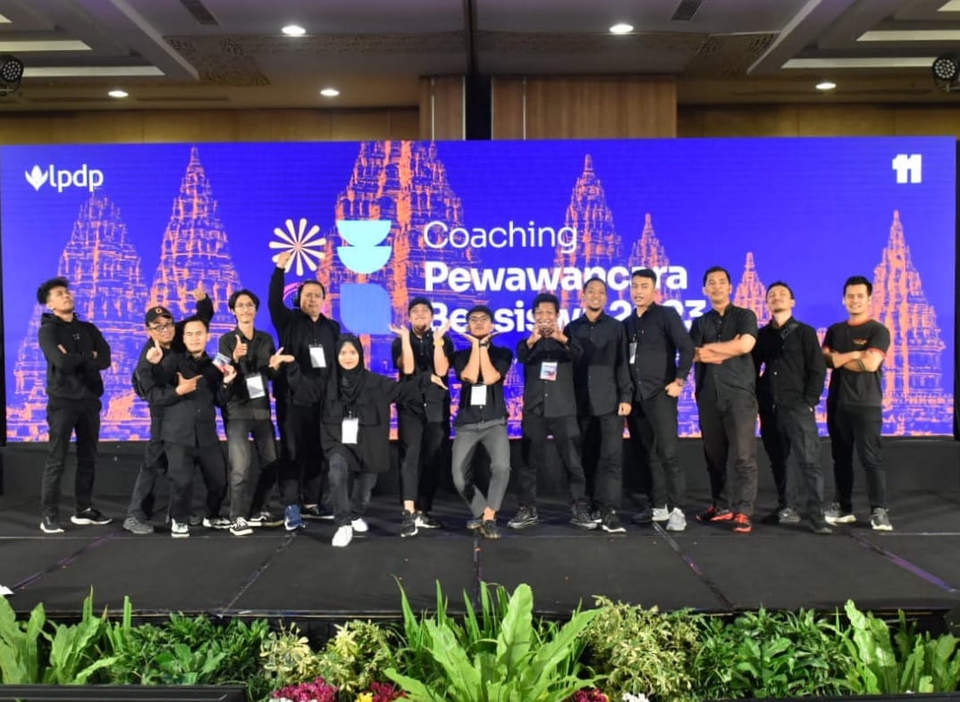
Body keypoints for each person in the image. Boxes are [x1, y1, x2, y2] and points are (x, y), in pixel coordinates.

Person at [320, 335, 444, 547]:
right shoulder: (327, 383)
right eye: (343, 353)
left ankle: (355, 514)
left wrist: (426, 379)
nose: (348, 357)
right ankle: (343, 523)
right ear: (336, 356)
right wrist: (290, 368)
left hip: (369, 442)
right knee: (337, 471)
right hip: (338, 440)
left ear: (360, 355)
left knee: (365, 488)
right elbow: (306, 391)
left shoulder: (375, 382)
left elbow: (402, 391)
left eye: (352, 352)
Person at [124, 285, 213, 535]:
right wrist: (177, 390)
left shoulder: (178, 334)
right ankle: (135, 515)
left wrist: (203, 300)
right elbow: (150, 394)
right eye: (158, 327)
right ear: (149, 330)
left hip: (183, 416)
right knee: (154, 463)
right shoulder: (148, 356)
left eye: (168, 324)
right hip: (162, 415)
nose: (165, 330)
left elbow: (202, 319)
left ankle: (178, 512)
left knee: (179, 466)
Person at [269, 250, 341, 531]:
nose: (312, 299)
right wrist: (280, 269)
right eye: (307, 295)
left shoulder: (331, 328)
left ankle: (312, 502)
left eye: (317, 295)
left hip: (322, 401)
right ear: (299, 298)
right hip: (292, 399)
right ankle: (291, 505)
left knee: (318, 451)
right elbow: (274, 301)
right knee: (291, 451)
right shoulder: (288, 321)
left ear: (324, 300)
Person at [509, 293, 594, 531]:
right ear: (533, 316)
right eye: (540, 313)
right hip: (535, 409)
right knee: (528, 462)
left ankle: (579, 507)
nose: (544, 317)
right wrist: (533, 339)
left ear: (557, 316)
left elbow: (580, 356)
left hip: (563, 409)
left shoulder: (568, 341)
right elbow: (522, 356)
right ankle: (527, 508)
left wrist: (560, 337)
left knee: (573, 462)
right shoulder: (527, 343)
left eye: (549, 313)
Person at [752, 282, 831, 535]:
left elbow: (817, 369)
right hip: (770, 408)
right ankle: (787, 506)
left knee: (809, 461)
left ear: (792, 302)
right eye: (772, 295)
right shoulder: (762, 335)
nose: (777, 298)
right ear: (767, 302)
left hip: (798, 407)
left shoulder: (805, 333)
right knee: (779, 461)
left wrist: (809, 402)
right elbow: (752, 369)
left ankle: (817, 515)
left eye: (782, 295)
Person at [36, 277, 112, 534]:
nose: (66, 295)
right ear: (50, 304)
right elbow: (61, 362)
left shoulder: (88, 328)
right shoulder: (48, 331)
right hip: (62, 402)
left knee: (88, 458)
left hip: (89, 400)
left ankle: (84, 509)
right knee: (57, 460)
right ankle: (49, 515)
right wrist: (88, 356)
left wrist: (76, 357)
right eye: (59, 293)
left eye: (67, 291)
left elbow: (105, 359)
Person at [146, 317, 232, 538]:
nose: (195, 338)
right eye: (190, 334)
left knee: (219, 480)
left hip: (207, 435)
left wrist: (226, 383)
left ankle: (212, 515)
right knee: (181, 482)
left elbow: (219, 400)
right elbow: (158, 386)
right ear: (183, 338)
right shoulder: (173, 361)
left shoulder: (215, 366)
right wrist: (155, 365)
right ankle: (180, 519)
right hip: (178, 434)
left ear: (208, 337)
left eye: (199, 333)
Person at [622, 268, 694, 532]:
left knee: (668, 453)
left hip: (661, 395)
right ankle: (658, 505)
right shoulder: (627, 323)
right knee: (646, 454)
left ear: (654, 290)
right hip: (637, 398)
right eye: (634, 286)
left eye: (644, 286)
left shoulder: (666, 315)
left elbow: (687, 348)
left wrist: (679, 381)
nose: (638, 291)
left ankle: (678, 509)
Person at [690, 266, 759, 534]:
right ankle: (721, 505)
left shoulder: (745, 316)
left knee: (743, 455)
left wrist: (712, 349)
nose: (716, 286)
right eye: (711, 282)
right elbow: (694, 354)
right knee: (714, 456)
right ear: (704, 289)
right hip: (708, 395)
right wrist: (725, 349)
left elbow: (745, 345)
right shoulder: (700, 322)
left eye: (721, 282)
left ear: (730, 287)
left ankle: (743, 510)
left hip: (739, 396)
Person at [219, 290, 295, 536]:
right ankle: (236, 517)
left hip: (262, 410)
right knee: (240, 468)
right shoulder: (227, 340)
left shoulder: (266, 339)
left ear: (256, 309)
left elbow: (268, 375)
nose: (245, 309)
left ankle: (257, 511)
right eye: (240, 305)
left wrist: (274, 367)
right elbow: (222, 372)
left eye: (249, 305)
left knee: (272, 463)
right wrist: (234, 358)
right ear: (233, 310)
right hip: (237, 411)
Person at [822, 275, 892, 531]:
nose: (855, 300)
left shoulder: (878, 330)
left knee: (870, 458)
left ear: (869, 299)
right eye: (850, 296)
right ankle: (843, 507)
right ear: (844, 299)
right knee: (840, 458)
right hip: (838, 403)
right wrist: (854, 354)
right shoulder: (835, 331)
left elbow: (871, 364)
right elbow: (826, 360)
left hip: (867, 405)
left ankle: (879, 510)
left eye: (860, 296)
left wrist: (840, 359)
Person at [566, 277, 632, 534]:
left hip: (611, 402)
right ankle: (589, 507)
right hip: (580, 404)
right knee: (586, 457)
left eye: (601, 292)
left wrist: (626, 396)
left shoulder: (616, 327)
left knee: (612, 458)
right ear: (582, 296)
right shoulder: (572, 329)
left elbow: (623, 363)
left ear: (606, 297)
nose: (596, 295)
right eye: (591, 291)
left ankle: (610, 510)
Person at [391, 296, 454, 538]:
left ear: (432, 316)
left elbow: (441, 369)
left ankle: (423, 510)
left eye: (424, 310)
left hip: (436, 406)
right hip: (410, 406)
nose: (420, 313)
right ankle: (408, 511)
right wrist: (406, 339)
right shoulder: (400, 341)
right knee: (409, 457)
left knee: (432, 458)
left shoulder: (443, 340)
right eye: (415, 311)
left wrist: (437, 342)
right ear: (408, 316)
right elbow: (407, 368)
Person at [450, 305, 513, 540]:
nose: (478, 323)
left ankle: (489, 517)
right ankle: (480, 511)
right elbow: (468, 375)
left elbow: (489, 377)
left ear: (492, 324)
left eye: (483, 319)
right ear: (468, 325)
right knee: (459, 477)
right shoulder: (460, 356)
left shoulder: (503, 353)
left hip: (494, 421)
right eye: (473, 319)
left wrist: (484, 347)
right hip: (467, 423)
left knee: (501, 467)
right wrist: (476, 347)